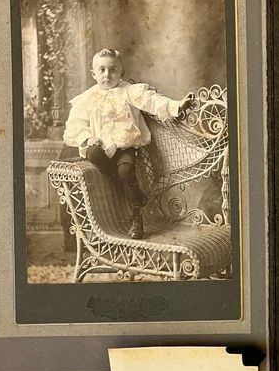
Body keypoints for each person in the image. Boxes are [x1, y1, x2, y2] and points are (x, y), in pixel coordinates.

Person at [63, 48, 194, 240]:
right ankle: (129, 191)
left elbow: (153, 101)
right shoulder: (87, 98)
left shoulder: (129, 91)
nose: (107, 74)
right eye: (102, 70)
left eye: (113, 70)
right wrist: (88, 137)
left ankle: (135, 217)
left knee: (126, 171)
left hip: (125, 147)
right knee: (93, 153)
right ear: (93, 73)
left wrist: (177, 106)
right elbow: (74, 125)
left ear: (121, 73)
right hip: (101, 150)